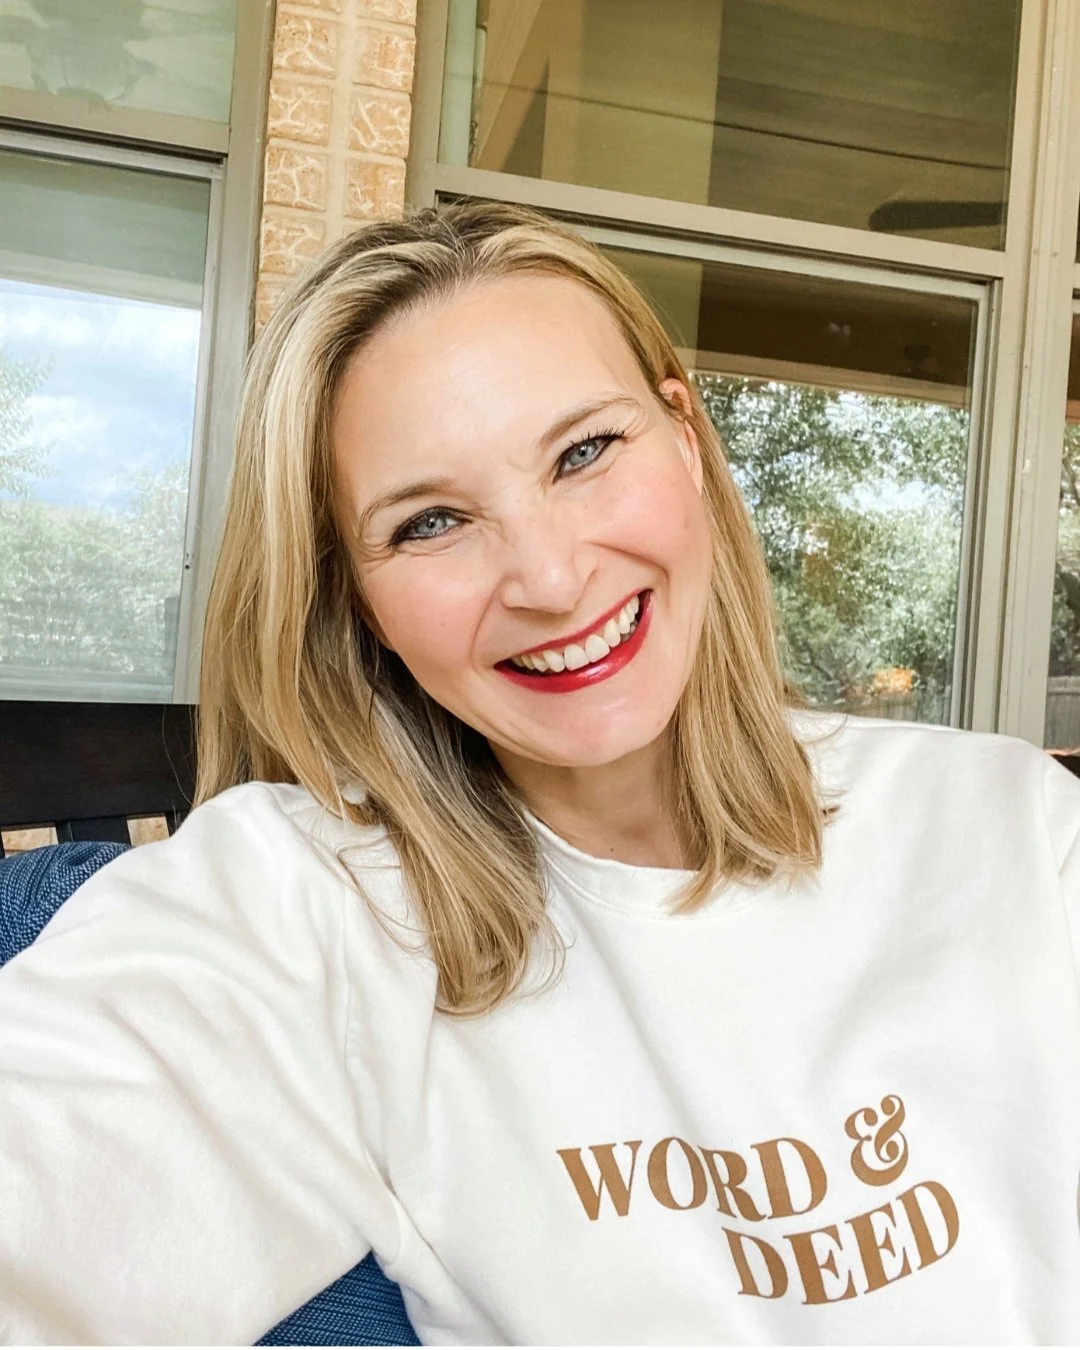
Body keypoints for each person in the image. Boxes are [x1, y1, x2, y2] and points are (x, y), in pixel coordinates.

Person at [2, 200, 1080, 1347]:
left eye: (584, 452)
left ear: (688, 438)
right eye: (429, 524)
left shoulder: (1012, 826)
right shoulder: (308, 904)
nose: (552, 579)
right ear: (358, 605)